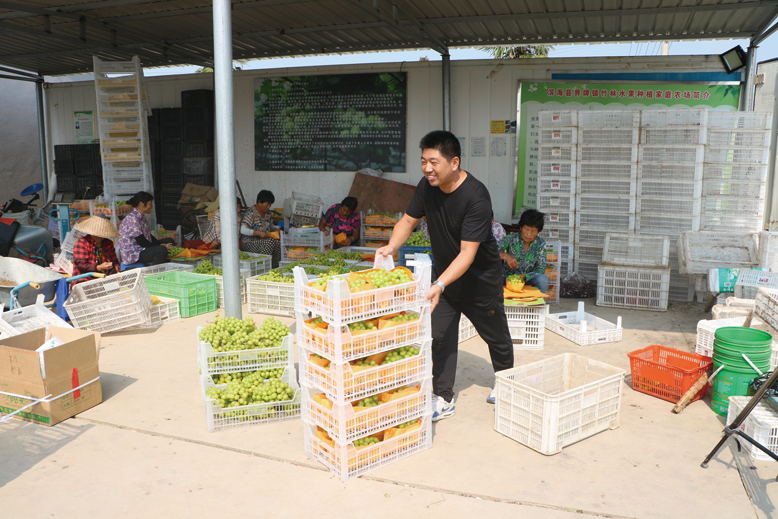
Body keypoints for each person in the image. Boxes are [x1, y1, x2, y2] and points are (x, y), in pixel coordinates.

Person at [376, 130, 513, 421]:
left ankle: (506, 380)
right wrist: (391, 246)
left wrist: (439, 283)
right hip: (444, 279)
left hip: (479, 280)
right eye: (423, 161)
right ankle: (443, 396)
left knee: (496, 335)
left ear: (454, 162)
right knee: (440, 336)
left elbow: (467, 253)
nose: (427, 168)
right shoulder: (427, 187)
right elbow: (409, 220)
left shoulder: (476, 196)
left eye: (434, 162)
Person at [498, 209, 549, 293]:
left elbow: (541, 269)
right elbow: (492, 251)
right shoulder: (510, 238)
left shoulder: (541, 244)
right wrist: (505, 255)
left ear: (538, 231)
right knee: (494, 278)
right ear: (521, 228)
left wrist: (525, 276)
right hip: (507, 278)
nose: (529, 234)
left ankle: (537, 304)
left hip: (528, 279)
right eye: (526, 229)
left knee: (542, 280)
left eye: (533, 231)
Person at [118, 191, 174, 266]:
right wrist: (161, 246)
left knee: (169, 241)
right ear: (141, 204)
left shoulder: (141, 217)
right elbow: (142, 242)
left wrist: (161, 243)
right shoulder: (132, 219)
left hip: (142, 248)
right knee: (161, 250)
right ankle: (155, 271)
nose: (151, 207)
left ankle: (163, 261)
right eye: (150, 204)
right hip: (134, 254)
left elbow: (148, 236)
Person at [71, 216, 120, 280]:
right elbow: (81, 265)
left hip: (106, 279)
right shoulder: (82, 243)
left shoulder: (108, 243)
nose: (99, 236)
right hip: (85, 280)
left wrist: (117, 269)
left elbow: (114, 261)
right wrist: (99, 267)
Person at [240, 190, 281, 266]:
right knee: (270, 242)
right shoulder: (251, 213)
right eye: (267, 204)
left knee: (278, 242)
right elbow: (242, 230)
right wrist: (257, 233)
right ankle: (262, 265)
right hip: (248, 244)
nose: (269, 207)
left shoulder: (268, 213)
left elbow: (270, 226)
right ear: (259, 202)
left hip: (263, 242)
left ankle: (275, 267)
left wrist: (276, 229)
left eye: (270, 204)